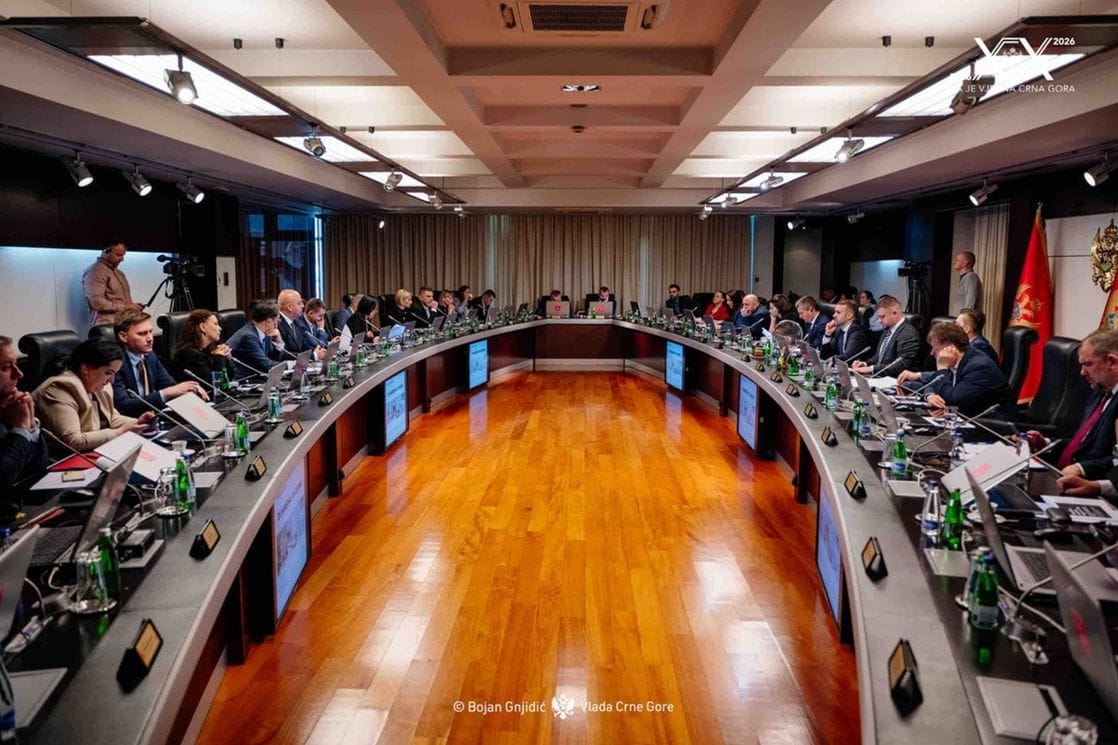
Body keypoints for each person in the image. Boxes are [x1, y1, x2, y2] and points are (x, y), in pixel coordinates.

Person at [1023, 329, 1118, 479]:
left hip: (1088, 484)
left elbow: (1114, 461)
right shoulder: (1099, 392)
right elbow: (1082, 444)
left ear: (1111, 362)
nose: (1082, 372)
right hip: (1059, 475)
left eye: (1088, 364)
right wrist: (1046, 444)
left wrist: (1082, 468)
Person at [33, 338, 156, 451]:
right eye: (108, 373)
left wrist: (138, 424)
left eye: (115, 373)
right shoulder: (59, 389)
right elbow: (73, 441)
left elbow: (111, 418)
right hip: (62, 459)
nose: (112, 380)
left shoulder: (98, 385)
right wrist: (120, 432)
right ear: (85, 368)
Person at [895, 322, 1013, 418]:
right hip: (964, 419)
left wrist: (942, 368)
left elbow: (953, 402)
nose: (931, 353)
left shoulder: (979, 366)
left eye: (935, 349)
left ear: (950, 348)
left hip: (990, 426)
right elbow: (933, 383)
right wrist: (930, 395)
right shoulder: (958, 360)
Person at [111, 309, 208, 417]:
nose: (150, 339)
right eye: (142, 334)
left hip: (154, 418)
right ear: (123, 336)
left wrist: (189, 391)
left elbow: (169, 385)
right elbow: (124, 406)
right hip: (130, 421)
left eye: (150, 332)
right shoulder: (114, 364)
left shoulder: (150, 356)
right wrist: (166, 393)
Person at [0, 335, 48, 499]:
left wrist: (31, 423)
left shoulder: (9, 405)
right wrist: (21, 427)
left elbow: (39, 468)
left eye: (16, 365)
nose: (19, 374)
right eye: (6, 367)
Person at [852, 296, 921, 377]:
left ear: (895, 313)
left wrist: (871, 369)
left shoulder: (908, 334)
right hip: (880, 377)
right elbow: (879, 357)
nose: (879, 321)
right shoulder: (888, 329)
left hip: (896, 380)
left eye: (882, 317)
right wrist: (865, 364)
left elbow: (901, 365)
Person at [82, 237, 142, 328]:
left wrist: (133, 306)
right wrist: (125, 307)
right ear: (106, 251)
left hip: (121, 323)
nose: (122, 259)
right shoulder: (95, 272)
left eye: (123, 255)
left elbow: (120, 301)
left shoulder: (119, 273)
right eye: (118, 255)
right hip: (106, 326)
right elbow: (96, 302)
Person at [226, 299, 290, 380]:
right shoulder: (248, 336)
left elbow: (272, 359)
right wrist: (290, 364)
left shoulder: (265, 332)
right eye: (277, 320)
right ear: (268, 322)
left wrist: (278, 341)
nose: (277, 324)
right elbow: (267, 365)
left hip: (258, 379)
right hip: (244, 382)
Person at [171, 309, 235, 385]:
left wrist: (227, 357)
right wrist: (218, 357)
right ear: (202, 327)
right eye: (215, 324)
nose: (220, 328)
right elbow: (212, 384)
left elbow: (229, 378)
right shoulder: (189, 354)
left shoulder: (208, 350)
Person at [277, 289, 322, 355]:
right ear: (290, 307)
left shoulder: (296, 323)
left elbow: (304, 345)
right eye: (299, 303)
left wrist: (317, 351)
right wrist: (314, 355)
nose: (303, 306)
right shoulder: (277, 324)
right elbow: (284, 354)